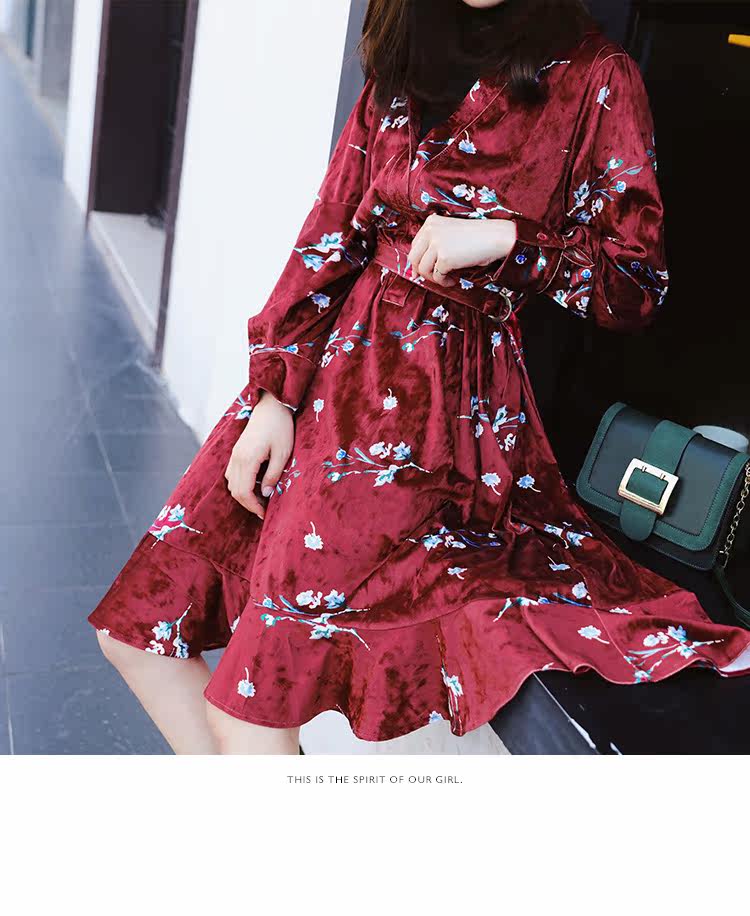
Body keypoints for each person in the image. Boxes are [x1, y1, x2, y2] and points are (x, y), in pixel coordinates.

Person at [88, 0, 750, 755]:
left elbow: (633, 285)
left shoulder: (595, 76)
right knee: (137, 635)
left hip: (436, 412)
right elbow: (329, 236)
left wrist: (509, 242)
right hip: (328, 377)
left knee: (250, 712)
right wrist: (272, 394)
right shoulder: (406, 52)